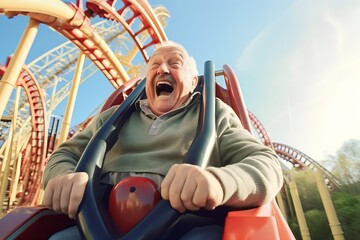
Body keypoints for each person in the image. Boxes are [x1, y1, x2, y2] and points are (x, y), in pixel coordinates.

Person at [42, 41, 283, 239]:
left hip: (184, 226)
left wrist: (218, 182)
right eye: (154, 64)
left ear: (192, 81)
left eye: (174, 63)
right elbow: (64, 155)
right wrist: (63, 176)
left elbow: (266, 165)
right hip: (96, 221)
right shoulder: (112, 117)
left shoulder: (213, 113)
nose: (163, 69)